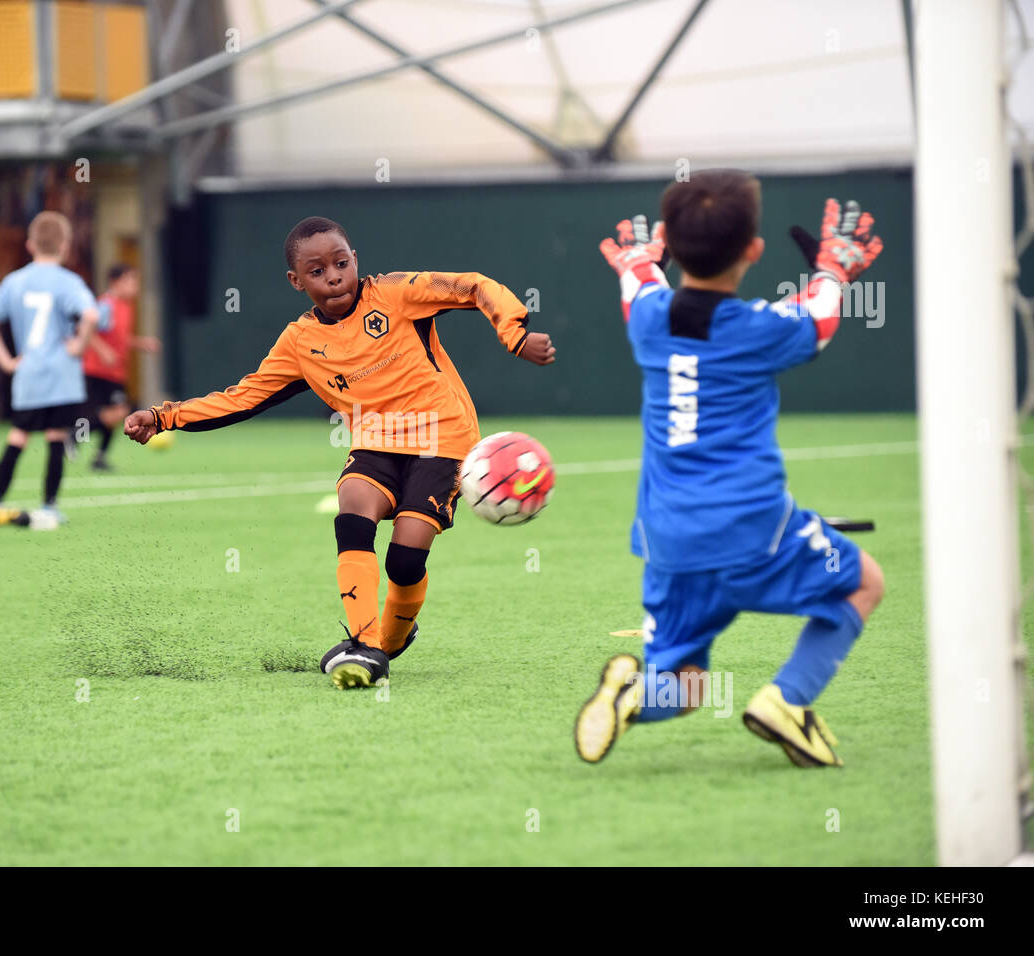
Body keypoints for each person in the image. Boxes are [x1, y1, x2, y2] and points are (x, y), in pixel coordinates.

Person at [123, 216, 556, 688]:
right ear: (296, 281)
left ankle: (391, 638)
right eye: (316, 271)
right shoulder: (300, 343)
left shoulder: (396, 293)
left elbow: (474, 286)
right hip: (374, 444)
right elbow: (243, 397)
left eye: (341, 263)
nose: (333, 277)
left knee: (404, 562)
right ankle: (366, 643)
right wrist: (165, 416)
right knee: (352, 504)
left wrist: (513, 332)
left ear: (356, 262)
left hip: (443, 439)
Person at [576, 169, 886, 768]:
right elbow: (820, 317)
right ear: (754, 250)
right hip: (755, 534)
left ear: (672, 239)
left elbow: (638, 281)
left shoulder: (648, 321)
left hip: (668, 541)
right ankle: (785, 700)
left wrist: (639, 261)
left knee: (687, 687)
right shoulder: (762, 330)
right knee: (863, 582)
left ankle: (632, 693)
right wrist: (833, 268)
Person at [0, 210, 99, 525]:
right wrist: (79, 346)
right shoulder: (68, 281)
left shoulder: (15, 281)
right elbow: (91, 315)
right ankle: (49, 505)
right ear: (65, 245)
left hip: (28, 375)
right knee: (55, 437)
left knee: (18, 435)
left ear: (30, 244)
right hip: (61, 376)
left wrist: (6, 361)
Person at [82, 264, 160, 472]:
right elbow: (87, 331)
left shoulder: (126, 307)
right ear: (115, 283)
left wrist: (141, 343)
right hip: (99, 370)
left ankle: (99, 457)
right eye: (130, 281)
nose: (135, 286)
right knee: (118, 412)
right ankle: (74, 434)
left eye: (136, 281)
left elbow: (120, 338)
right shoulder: (106, 305)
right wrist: (103, 351)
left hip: (116, 371)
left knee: (114, 414)